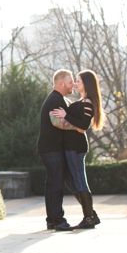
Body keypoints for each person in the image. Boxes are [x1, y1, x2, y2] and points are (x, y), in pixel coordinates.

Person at [51, 69, 105, 229]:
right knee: (70, 179)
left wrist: (65, 115)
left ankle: (88, 217)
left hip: (76, 148)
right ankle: (91, 214)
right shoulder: (82, 101)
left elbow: (83, 126)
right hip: (71, 147)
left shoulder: (87, 102)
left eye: (78, 81)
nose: (75, 84)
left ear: (86, 84)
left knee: (80, 180)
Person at [37, 69, 86, 231]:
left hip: (52, 148)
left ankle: (52, 219)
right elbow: (56, 122)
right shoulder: (55, 100)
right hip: (51, 148)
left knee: (53, 183)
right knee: (56, 183)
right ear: (61, 83)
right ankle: (58, 220)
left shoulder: (61, 99)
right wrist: (78, 127)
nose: (73, 84)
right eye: (70, 81)